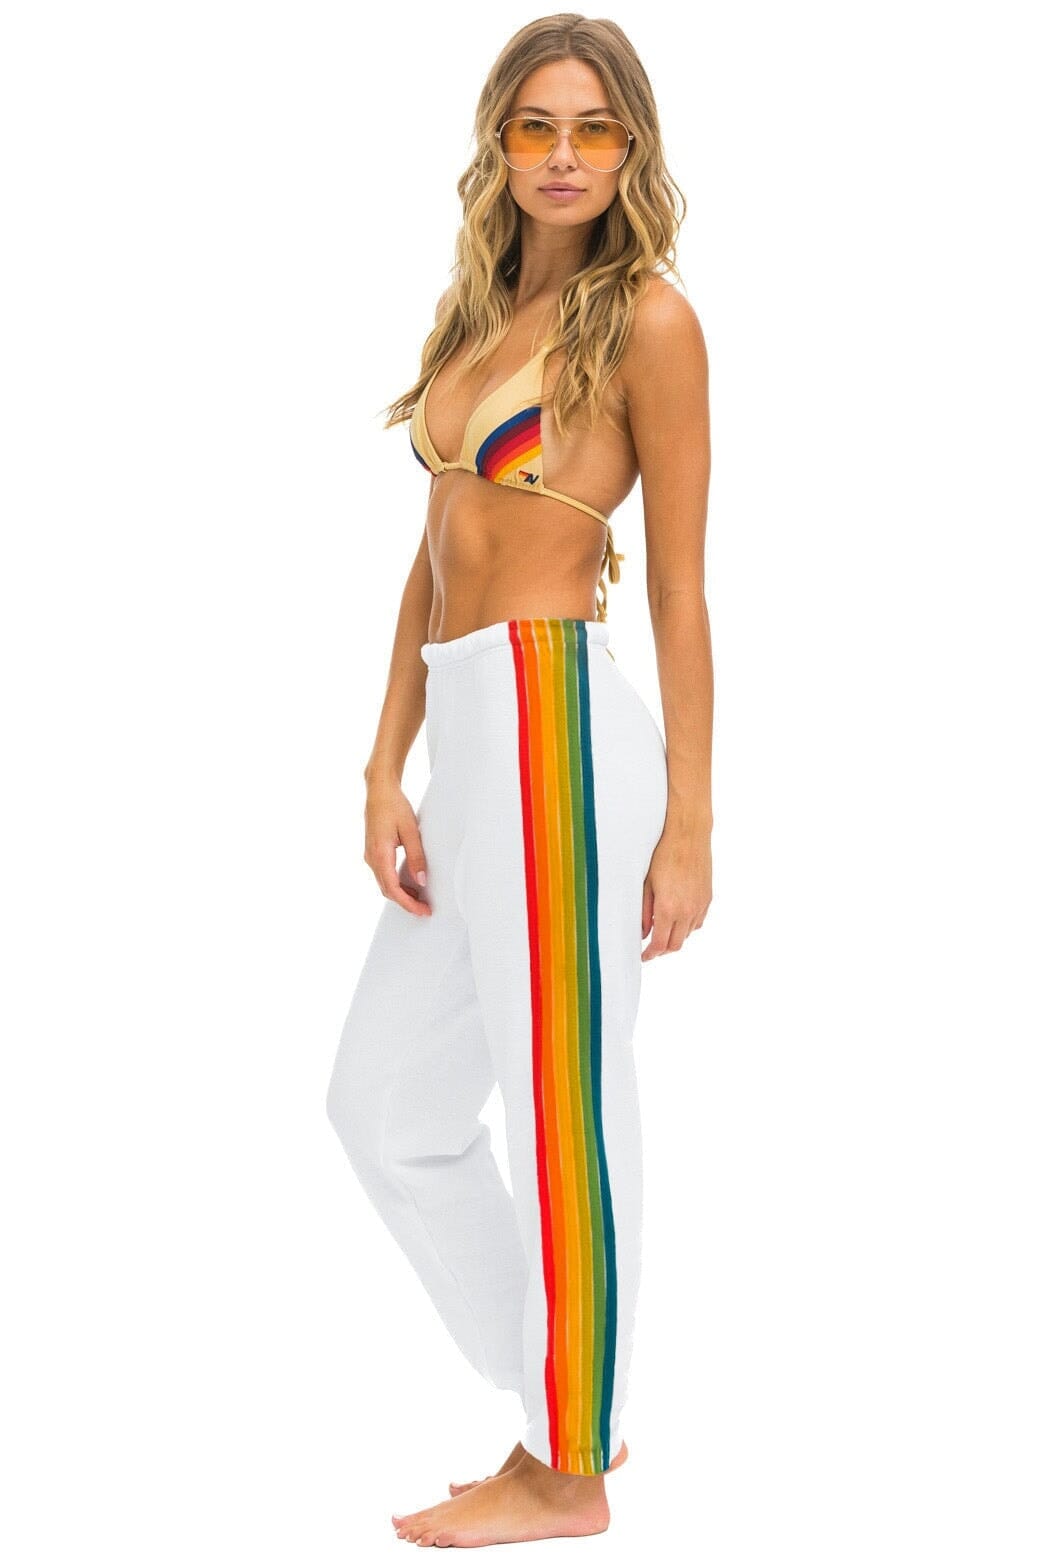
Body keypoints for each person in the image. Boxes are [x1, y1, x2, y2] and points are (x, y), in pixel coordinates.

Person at [326, 14, 712, 1548]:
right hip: (470, 730)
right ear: (498, 143)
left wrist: (692, 819)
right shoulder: (476, 314)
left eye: (595, 129)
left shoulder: (652, 323)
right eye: (537, 126)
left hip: (558, 713)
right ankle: (569, 1398)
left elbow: (677, 588)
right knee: (385, 1105)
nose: (564, 156)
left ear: (632, 150)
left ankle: (568, 1467)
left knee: (567, 1099)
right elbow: (434, 558)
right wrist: (384, 762)